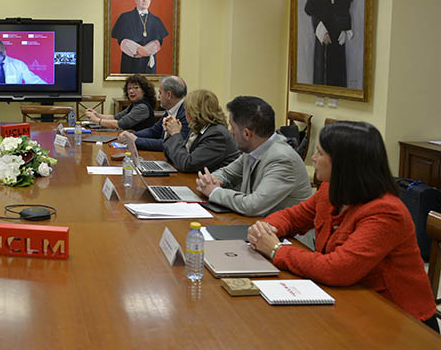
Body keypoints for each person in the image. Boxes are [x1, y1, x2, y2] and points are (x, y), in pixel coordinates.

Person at [248, 122, 439, 332]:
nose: (312, 158)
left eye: (320, 153)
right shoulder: (331, 190)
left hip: (401, 323)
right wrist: (265, 229)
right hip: (348, 302)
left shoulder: (386, 212)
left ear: (342, 164)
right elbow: (293, 217)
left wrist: (276, 250)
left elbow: (336, 269)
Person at [195, 96, 312, 216]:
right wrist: (210, 181)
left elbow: (253, 205)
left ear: (246, 133)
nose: (230, 131)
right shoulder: (254, 148)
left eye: (232, 126)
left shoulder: (282, 160)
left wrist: (214, 192)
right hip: (260, 226)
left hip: (289, 233)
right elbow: (226, 174)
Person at [162, 89, 240, 173]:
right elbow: (174, 157)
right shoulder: (198, 127)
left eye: (186, 110)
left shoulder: (217, 135)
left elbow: (188, 165)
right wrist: (170, 133)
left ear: (194, 112)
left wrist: (175, 134)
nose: (185, 114)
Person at [117, 75, 189, 151]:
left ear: (169, 95)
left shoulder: (186, 114)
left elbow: (169, 144)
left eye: (160, 93)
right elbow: (154, 131)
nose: (158, 96)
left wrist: (136, 140)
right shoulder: (170, 111)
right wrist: (130, 136)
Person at [111, 0, 169, 74]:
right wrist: (137, 49)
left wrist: (145, 51)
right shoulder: (125, 17)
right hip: (130, 63)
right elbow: (122, 41)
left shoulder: (156, 20)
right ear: (136, 0)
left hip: (149, 65)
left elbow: (158, 42)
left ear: (150, 1)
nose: (144, 0)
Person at [85, 74, 156, 132]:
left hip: (142, 142)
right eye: (129, 88)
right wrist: (97, 114)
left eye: (136, 88)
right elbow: (115, 117)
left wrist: (96, 120)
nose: (131, 91)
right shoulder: (134, 105)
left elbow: (120, 124)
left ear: (144, 91)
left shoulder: (142, 107)